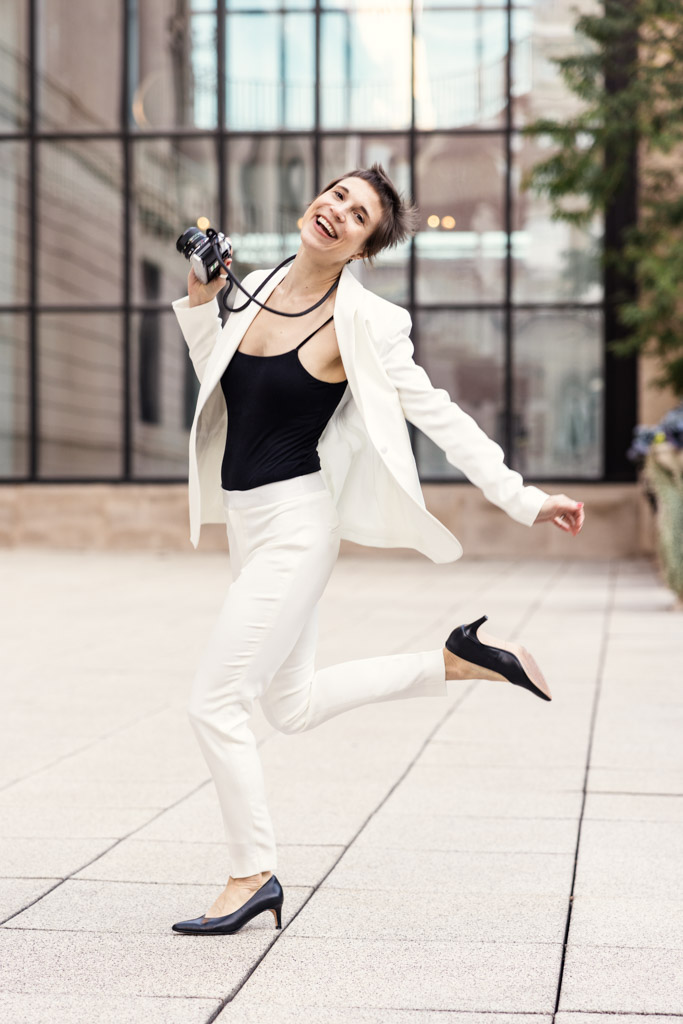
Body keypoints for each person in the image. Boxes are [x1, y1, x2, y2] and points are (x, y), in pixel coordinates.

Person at [169, 164, 585, 936]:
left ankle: (250, 871)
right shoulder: (251, 284)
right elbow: (219, 389)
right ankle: (457, 660)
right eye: (335, 195)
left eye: (356, 214)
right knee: (286, 707)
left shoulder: (365, 322)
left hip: (297, 525)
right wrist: (202, 297)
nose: (336, 210)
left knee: (214, 703)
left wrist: (525, 499)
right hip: (246, 519)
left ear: (363, 247)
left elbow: (442, 415)